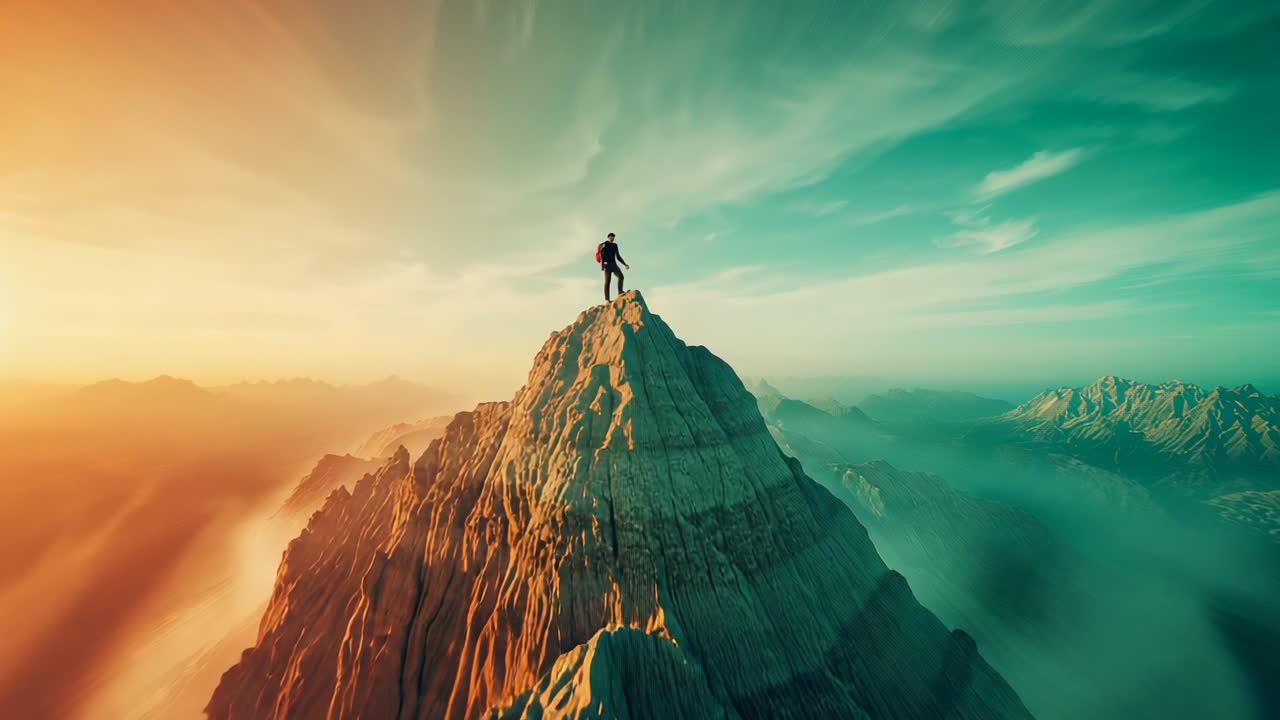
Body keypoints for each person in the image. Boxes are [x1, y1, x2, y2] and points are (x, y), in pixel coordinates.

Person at [599, 232, 630, 301]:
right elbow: (601, 255)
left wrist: (625, 264)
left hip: (614, 265)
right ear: (608, 237)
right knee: (607, 282)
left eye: (613, 237)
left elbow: (618, 256)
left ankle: (620, 291)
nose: (612, 238)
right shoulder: (604, 244)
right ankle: (607, 299)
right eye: (610, 236)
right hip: (607, 265)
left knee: (621, 276)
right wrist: (602, 265)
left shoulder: (615, 245)